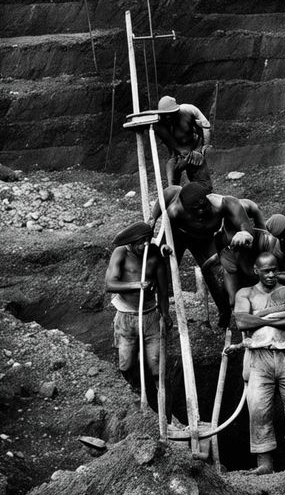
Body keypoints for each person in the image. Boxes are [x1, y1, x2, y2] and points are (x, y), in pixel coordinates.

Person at [231, 252, 285, 475]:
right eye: (265, 270)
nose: (271, 274)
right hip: (259, 358)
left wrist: (257, 319)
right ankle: (264, 464)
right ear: (256, 270)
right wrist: (277, 314)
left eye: (274, 269)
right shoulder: (245, 293)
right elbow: (241, 321)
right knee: (258, 409)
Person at [149, 181, 254, 328]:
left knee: (216, 273)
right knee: (162, 273)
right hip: (176, 237)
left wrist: (244, 231)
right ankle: (160, 314)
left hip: (203, 240)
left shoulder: (222, 204)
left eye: (203, 206)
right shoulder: (175, 206)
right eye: (194, 209)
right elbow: (166, 193)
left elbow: (244, 223)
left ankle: (224, 312)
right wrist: (153, 219)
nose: (200, 212)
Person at [104, 220, 171, 403]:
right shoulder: (121, 254)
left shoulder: (154, 255)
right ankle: (134, 389)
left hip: (150, 316)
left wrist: (165, 314)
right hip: (126, 317)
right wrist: (137, 285)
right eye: (141, 242)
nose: (145, 245)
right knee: (126, 365)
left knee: (157, 366)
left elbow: (164, 291)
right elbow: (110, 284)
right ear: (131, 244)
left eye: (148, 241)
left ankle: (162, 398)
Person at [153, 95, 212, 191]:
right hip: (176, 153)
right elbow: (169, 142)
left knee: (204, 186)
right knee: (171, 185)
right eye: (165, 114)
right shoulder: (158, 124)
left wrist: (204, 147)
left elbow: (205, 126)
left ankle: (204, 194)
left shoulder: (188, 110)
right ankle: (172, 193)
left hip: (194, 146)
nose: (168, 117)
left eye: (170, 114)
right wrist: (180, 151)